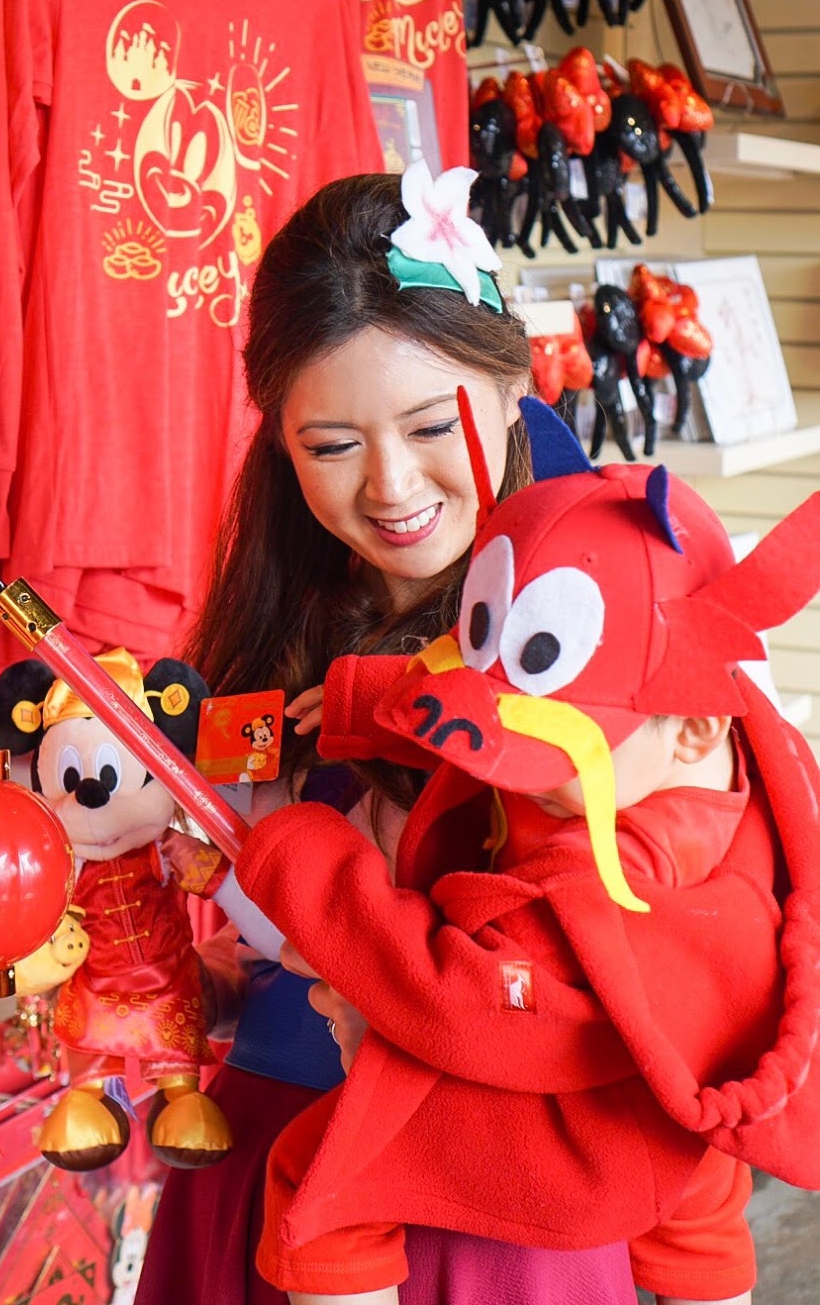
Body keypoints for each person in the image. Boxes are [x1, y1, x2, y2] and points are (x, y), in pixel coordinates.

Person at [134, 165, 754, 1305]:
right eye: (330, 445)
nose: (390, 485)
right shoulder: (279, 621)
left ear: (514, 384)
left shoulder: (621, 611)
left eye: (430, 425)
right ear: (279, 438)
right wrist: (192, 970)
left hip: (506, 1193)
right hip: (270, 1152)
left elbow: (683, 945)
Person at [240, 389, 820, 1303]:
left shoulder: (610, 877)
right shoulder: (729, 746)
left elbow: (459, 1000)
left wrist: (298, 850)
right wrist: (370, 707)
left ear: (694, 727)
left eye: (548, 754)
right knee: (703, 1219)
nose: (513, 770)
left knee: (322, 1181)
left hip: (588, 1129)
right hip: (689, 1087)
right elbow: (509, 682)